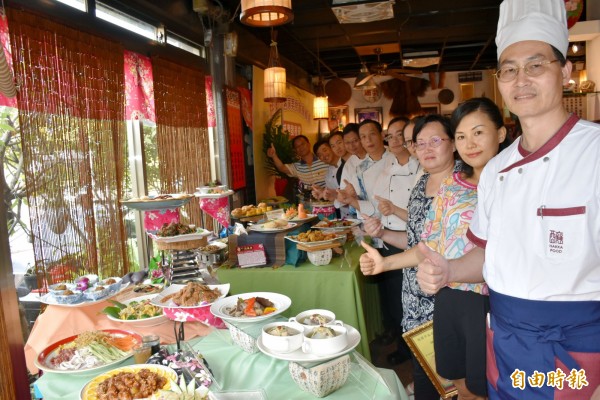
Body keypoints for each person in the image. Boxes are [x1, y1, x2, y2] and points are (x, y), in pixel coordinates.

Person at [416, 1, 600, 399]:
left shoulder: (594, 153)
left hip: (575, 343)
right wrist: (447, 270)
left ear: (565, 72)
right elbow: (485, 255)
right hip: (504, 335)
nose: (522, 80)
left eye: (536, 65)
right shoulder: (497, 171)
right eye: (510, 69)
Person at [360, 114, 459, 400]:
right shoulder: (423, 182)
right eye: (419, 143)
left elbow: (431, 249)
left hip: (444, 298)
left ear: (452, 143)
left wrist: (386, 263)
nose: (426, 149)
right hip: (415, 301)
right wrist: (383, 236)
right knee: (427, 376)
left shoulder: (460, 185)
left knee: (454, 382)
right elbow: (415, 240)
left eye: (435, 141)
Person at [267, 135, 328, 200]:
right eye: (297, 147)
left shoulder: (323, 160)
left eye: (302, 144)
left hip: (328, 200)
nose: (301, 147)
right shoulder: (297, 166)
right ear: (295, 150)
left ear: (308, 144)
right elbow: (281, 167)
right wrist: (274, 156)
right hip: (309, 203)